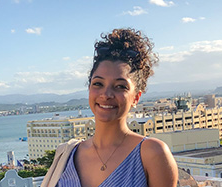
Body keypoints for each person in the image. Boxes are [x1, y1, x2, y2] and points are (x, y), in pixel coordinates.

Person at [41, 28, 178, 187]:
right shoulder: (67, 155)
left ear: (136, 97)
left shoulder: (152, 153)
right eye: (98, 84)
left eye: (120, 86)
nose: (106, 94)